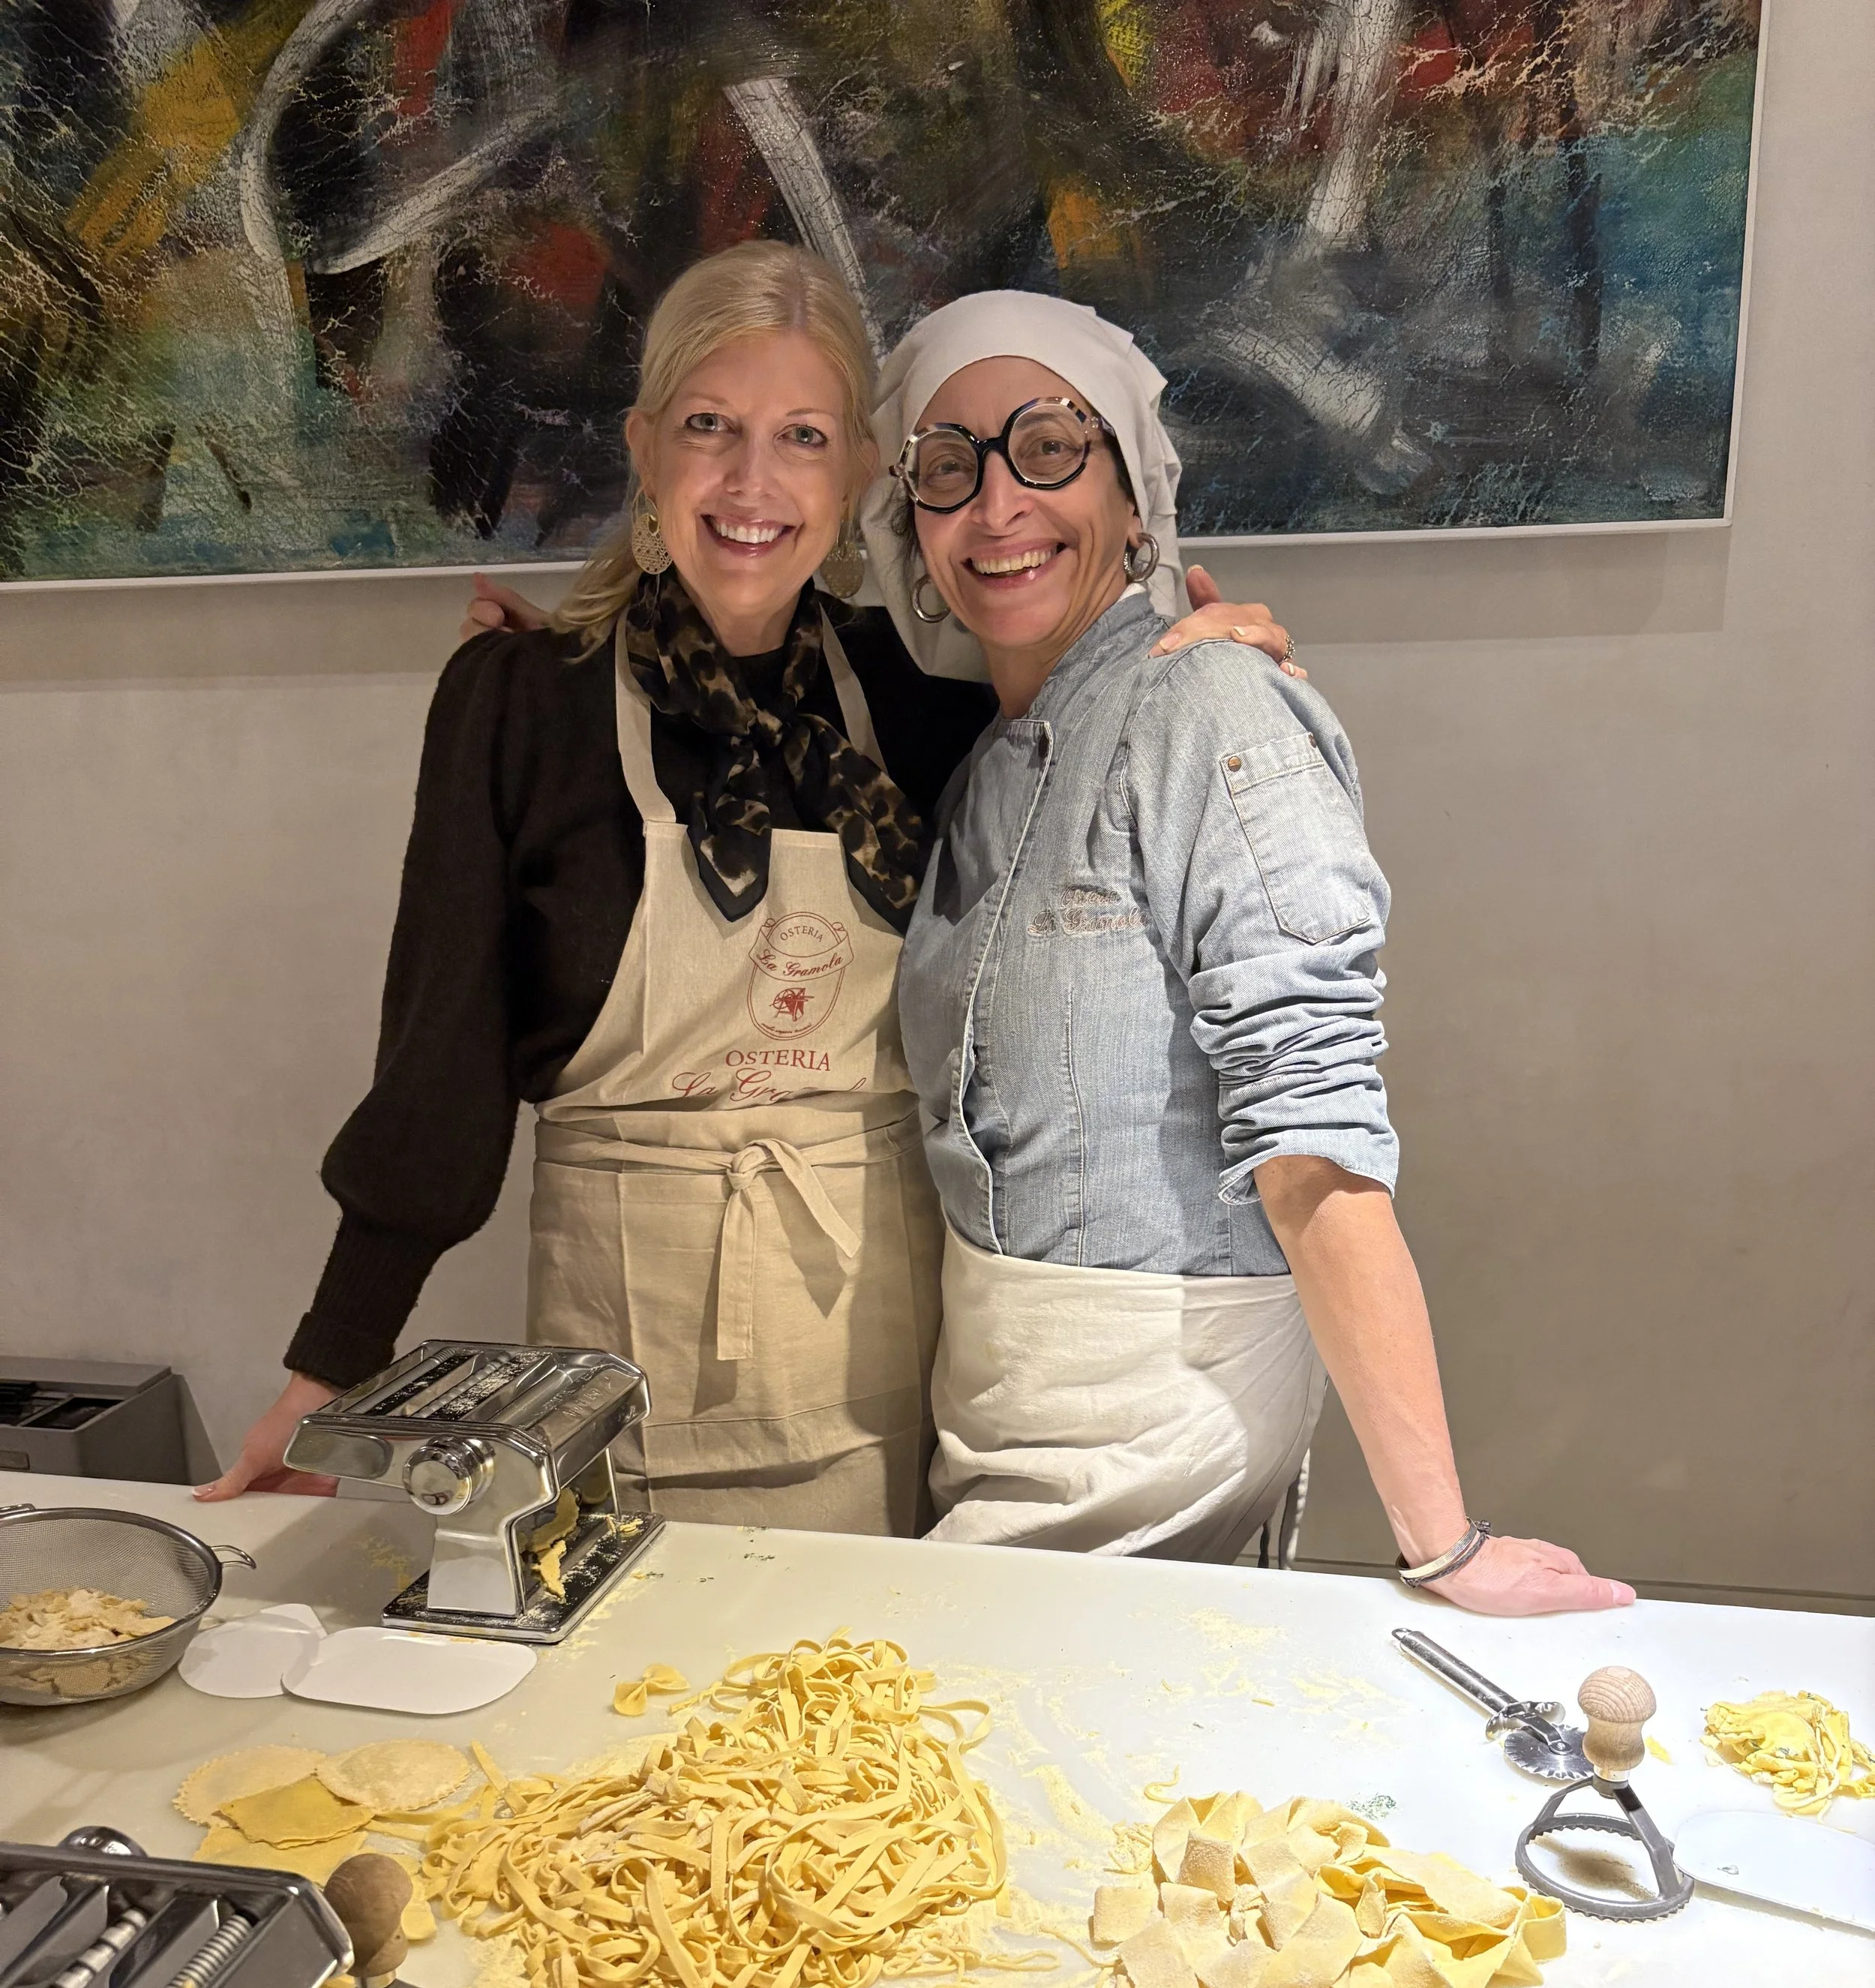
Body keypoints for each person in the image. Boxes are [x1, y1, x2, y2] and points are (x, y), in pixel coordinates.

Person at [199, 244, 1297, 1533]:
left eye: (803, 437)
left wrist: (1192, 659)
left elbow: (1104, 746)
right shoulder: (519, 705)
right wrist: (330, 1367)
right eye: (710, 428)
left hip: (891, 1370)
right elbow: (440, 1067)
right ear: (646, 450)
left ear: (857, 482)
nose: (751, 482)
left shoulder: (928, 704)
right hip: (617, 1369)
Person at [866, 293, 1629, 1614]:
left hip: (1156, 1425)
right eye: (949, 466)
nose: (997, 507)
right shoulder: (983, 763)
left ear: (1137, 492)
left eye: (1050, 446)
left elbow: (1316, 1141)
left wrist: (1444, 1545)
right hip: (991, 1410)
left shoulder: (1215, 707)